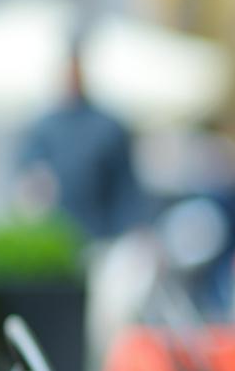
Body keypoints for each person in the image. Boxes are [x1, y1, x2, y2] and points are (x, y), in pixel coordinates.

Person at [17, 48, 148, 239]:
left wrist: (130, 228)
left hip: (100, 232)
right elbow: (29, 177)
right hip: (55, 233)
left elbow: (126, 189)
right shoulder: (45, 127)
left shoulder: (107, 127)